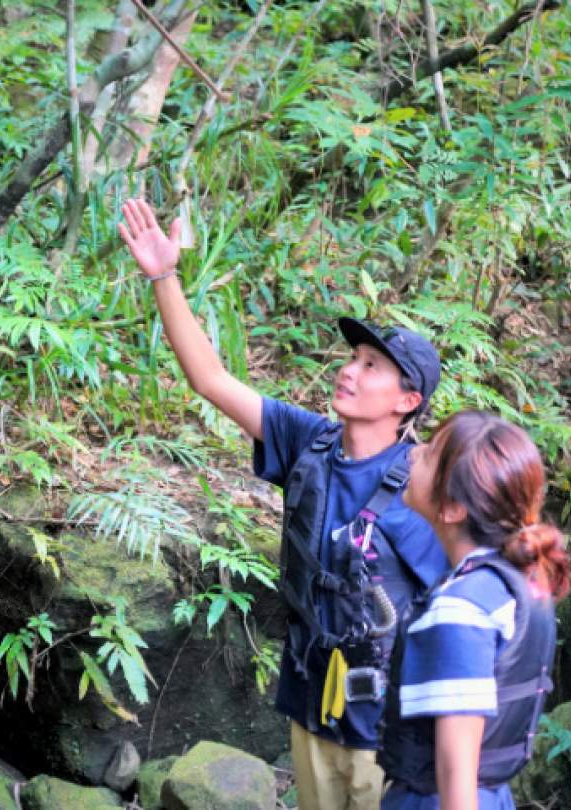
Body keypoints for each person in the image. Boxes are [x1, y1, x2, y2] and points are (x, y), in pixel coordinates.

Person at [118, 198, 448, 810]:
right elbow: (210, 380)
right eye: (353, 358)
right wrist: (164, 276)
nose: (351, 370)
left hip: (394, 725)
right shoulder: (308, 440)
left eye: (373, 366)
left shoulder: (429, 480)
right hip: (312, 703)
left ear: (407, 401)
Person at [378, 411, 571, 810]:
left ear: (452, 508)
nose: (414, 455)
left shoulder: (461, 608)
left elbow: (456, 770)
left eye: (430, 455)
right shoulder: (519, 585)